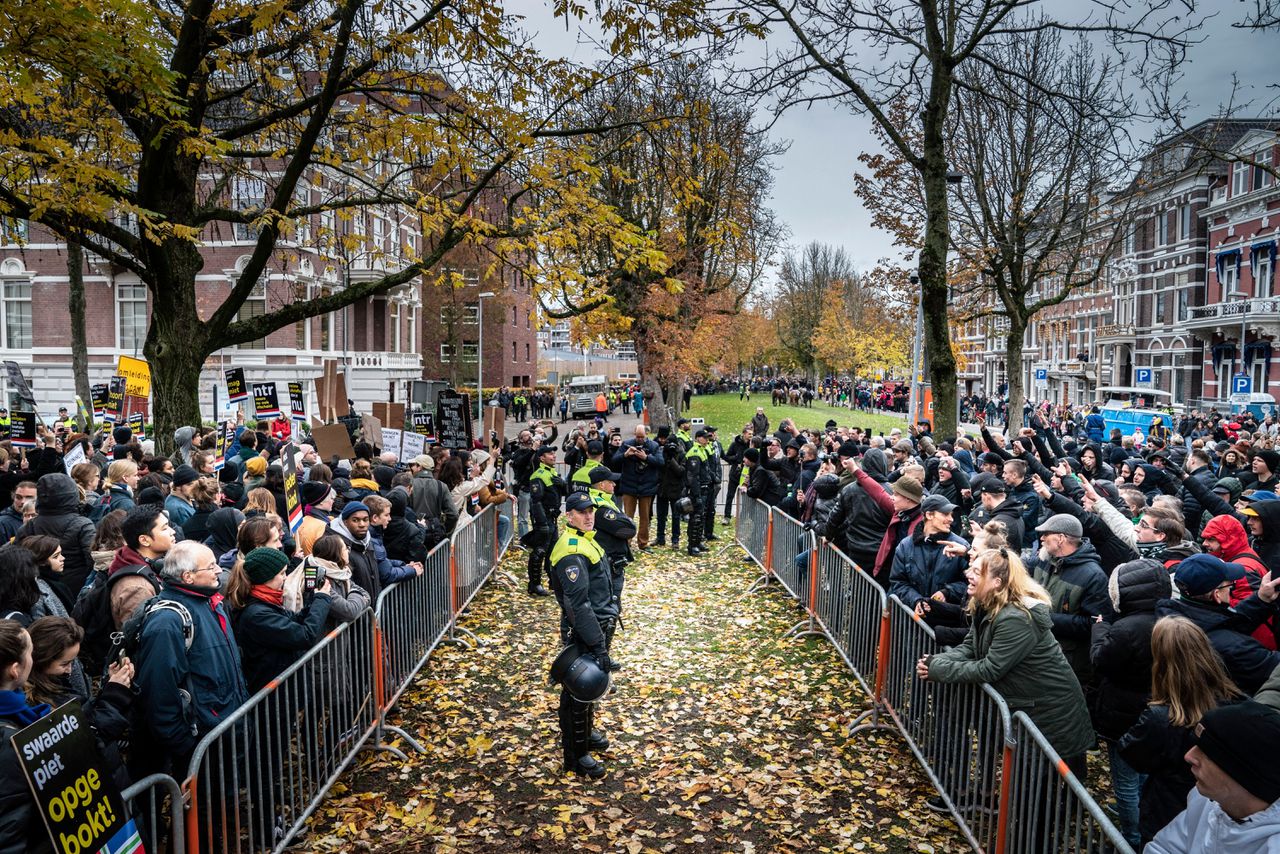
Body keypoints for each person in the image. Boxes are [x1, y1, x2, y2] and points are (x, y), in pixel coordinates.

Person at [918, 546, 1094, 813]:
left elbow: (990, 668)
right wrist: (937, 662)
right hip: (1029, 708)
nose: (968, 574)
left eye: (977, 571)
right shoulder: (986, 605)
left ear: (997, 582)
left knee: (1040, 795)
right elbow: (970, 647)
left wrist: (938, 670)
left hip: (1050, 716)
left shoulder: (1016, 618)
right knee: (1033, 791)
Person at [1119, 616, 1247, 849]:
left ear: (1160, 660)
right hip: (1214, 814)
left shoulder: (1159, 717)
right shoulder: (1235, 703)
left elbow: (1131, 752)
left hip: (1166, 814)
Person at [132, 540, 249, 780]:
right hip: (200, 741)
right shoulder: (167, 622)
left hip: (222, 730)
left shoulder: (209, 601)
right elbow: (158, 690)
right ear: (188, 576)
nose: (219, 570)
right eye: (211, 566)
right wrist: (183, 744)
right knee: (205, 810)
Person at [1089, 558, 1172, 848]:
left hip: (1123, 713)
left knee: (1125, 780)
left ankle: (1131, 838)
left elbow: (1101, 661)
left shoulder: (1125, 629)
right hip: (1158, 710)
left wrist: (1099, 631)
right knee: (1146, 775)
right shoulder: (1172, 620)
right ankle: (1144, 828)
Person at [1143, 701, 1280, 853]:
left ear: (1246, 777)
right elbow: (1164, 848)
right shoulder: (1206, 801)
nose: (1189, 756)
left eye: (1208, 753)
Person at [549, 491, 617, 779]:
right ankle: (576, 757)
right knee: (578, 690)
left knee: (589, 689)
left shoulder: (586, 540)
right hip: (585, 630)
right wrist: (597, 645)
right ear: (569, 516)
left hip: (597, 627)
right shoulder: (571, 548)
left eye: (591, 511)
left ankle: (586, 736)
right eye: (582, 512)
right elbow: (578, 605)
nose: (589, 516)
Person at [1155, 554, 1280, 694]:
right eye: (1229, 585)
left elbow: (1224, 623)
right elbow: (1275, 668)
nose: (1231, 589)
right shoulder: (1233, 648)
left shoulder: (1175, 616)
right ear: (1217, 595)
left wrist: (1261, 599)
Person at [227, 547, 333, 693]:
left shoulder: (266, 602)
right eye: (282, 573)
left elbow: (294, 620)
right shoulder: (258, 615)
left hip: (287, 690)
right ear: (266, 577)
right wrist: (322, 600)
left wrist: (315, 598)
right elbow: (305, 635)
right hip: (277, 695)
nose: (285, 578)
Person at [1025, 513, 1112, 684]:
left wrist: (1045, 617)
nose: (1041, 538)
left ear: (1061, 538)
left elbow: (1094, 624)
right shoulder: (1045, 560)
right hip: (1039, 652)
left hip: (1067, 663)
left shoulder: (1093, 576)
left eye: (1046, 534)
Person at [0, 620, 51, 851]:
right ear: (15, 669)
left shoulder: (21, 715)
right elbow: (9, 831)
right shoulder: (10, 744)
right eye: (30, 653)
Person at [15, 473, 97, 598]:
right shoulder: (83, 524)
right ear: (72, 494)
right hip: (76, 589)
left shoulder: (28, 526)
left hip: (38, 591)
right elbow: (93, 560)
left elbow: (16, 561)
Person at [888, 494, 969, 615]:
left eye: (951, 514)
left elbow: (970, 582)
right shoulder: (905, 546)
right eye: (945, 514)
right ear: (929, 515)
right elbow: (898, 582)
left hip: (945, 619)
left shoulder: (960, 546)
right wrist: (916, 600)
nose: (951, 519)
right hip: (911, 619)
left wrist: (947, 592)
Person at [588, 466, 636, 618]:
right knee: (610, 606)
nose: (615, 484)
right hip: (609, 560)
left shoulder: (606, 500)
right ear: (602, 485)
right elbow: (629, 530)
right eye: (611, 482)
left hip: (611, 559)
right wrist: (627, 521)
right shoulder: (600, 506)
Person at [612, 425, 662, 550]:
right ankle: (626, 543)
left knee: (645, 517)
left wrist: (646, 458)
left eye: (642, 437)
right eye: (637, 436)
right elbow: (614, 460)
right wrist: (625, 455)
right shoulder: (626, 445)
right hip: (629, 486)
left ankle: (643, 543)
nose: (639, 439)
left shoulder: (654, 446)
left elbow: (660, 462)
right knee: (628, 517)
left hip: (647, 487)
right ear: (634, 434)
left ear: (647, 434)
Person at [526, 444, 565, 597]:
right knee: (539, 551)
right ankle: (534, 584)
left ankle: (552, 581)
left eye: (554, 453)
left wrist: (563, 485)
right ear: (541, 458)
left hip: (552, 518)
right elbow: (536, 501)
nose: (554, 456)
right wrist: (541, 524)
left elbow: (564, 493)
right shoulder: (538, 475)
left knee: (553, 551)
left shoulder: (552, 472)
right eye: (550, 454)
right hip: (544, 519)